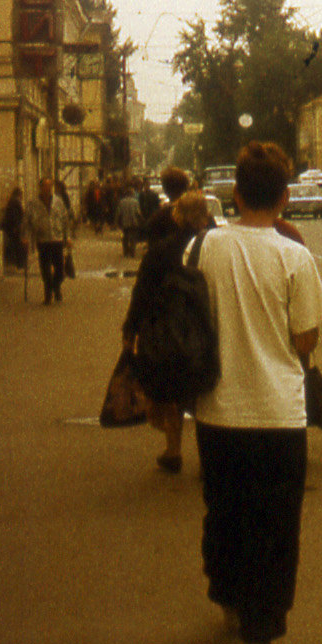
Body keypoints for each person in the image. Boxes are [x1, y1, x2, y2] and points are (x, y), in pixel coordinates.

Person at [193, 141, 322, 644]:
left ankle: (227, 595)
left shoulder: (206, 248)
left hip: (216, 412)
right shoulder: (294, 256)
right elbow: (305, 337)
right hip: (278, 414)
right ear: (282, 197)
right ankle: (259, 642)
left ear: (235, 193)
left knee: (224, 512)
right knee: (274, 528)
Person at [121, 189, 215, 475]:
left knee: (171, 391)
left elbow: (142, 291)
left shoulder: (161, 250)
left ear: (178, 215)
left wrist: (130, 329)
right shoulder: (217, 245)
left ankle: (173, 451)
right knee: (205, 391)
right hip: (206, 324)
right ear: (205, 216)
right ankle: (208, 458)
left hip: (167, 328)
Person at [24, 175, 71, 303]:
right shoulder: (33, 204)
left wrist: (68, 237)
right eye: (46, 186)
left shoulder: (58, 201)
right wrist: (26, 237)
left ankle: (55, 287)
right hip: (42, 240)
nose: (48, 189)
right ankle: (48, 294)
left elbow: (65, 220)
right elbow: (27, 222)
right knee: (45, 269)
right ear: (40, 188)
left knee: (60, 270)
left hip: (57, 238)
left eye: (50, 186)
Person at [140, 166, 193, 248]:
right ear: (186, 186)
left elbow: (153, 253)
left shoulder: (158, 219)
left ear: (165, 189)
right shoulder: (201, 215)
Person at [0, 187, 27, 270]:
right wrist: (16, 226)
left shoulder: (12, 202)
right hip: (14, 228)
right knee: (17, 245)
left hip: (12, 228)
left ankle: (17, 263)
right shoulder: (15, 202)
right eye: (21, 194)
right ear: (19, 194)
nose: (22, 196)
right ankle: (19, 264)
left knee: (15, 245)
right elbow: (15, 216)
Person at [115, 181, 143, 258]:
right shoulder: (136, 202)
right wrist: (141, 220)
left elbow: (119, 213)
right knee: (133, 237)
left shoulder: (122, 202)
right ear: (132, 194)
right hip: (134, 222)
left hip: (125, 222)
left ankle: (126, 251)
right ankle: (132, 251)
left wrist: (117, 222)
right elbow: (138, 212)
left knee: (125, 236)